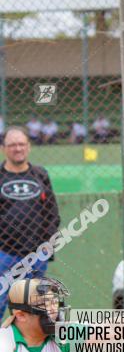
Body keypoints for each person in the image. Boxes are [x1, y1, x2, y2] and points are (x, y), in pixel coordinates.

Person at [0, 127, 61, 315]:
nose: (17, 148)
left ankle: (25, 345)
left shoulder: (40, 174)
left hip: (35, 256)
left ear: (29, 147)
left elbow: (52, 214)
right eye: (12, 145)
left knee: (31, 310)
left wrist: (44, 247)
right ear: (3, 148)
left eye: (21, 144)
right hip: (4, 254)